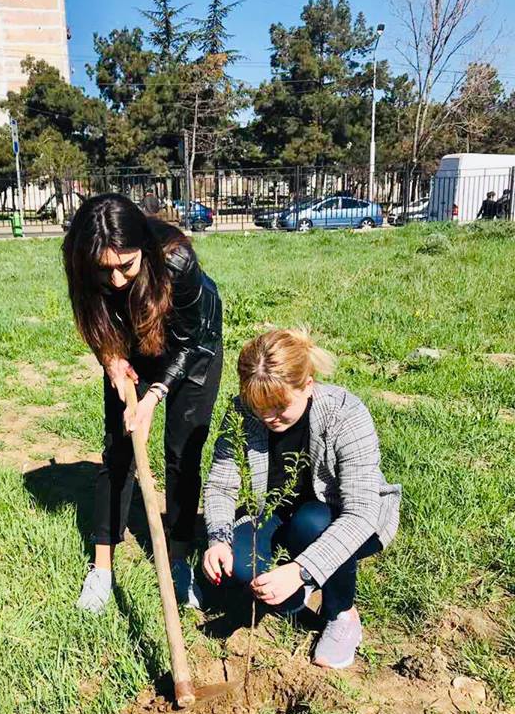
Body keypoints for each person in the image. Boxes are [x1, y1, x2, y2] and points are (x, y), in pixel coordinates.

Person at [62, 192, 223, 614]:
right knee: (119, 450)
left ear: (144, 252)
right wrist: (111, 361)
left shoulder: (176, 260)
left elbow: (190, 343)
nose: (116, 281)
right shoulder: (82, 260)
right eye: (105, 270)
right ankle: (101, 567)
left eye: (126, 266)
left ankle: (178, 559)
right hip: (131, 344)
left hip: (194, 344)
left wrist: (154, 396)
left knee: (182, 452)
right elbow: (94, 318)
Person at [202, 329, 401, 669]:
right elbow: (222, 484)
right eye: (258, 407)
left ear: (307, 384)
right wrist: (217, 539)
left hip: (340, 517)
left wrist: (300, 570)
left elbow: (361, 513)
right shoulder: (241, 413)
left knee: (313, 523)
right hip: (281, 512)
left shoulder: (346, 414)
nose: (268, 418)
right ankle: (296, 597)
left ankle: (341, 614)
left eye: (280, 407)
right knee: (240, 565)